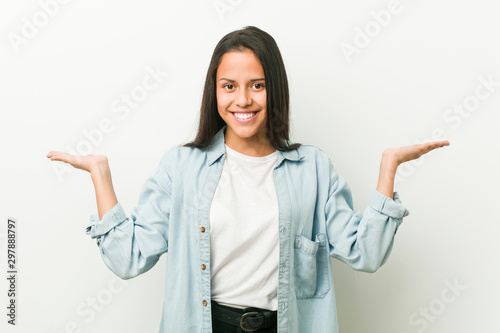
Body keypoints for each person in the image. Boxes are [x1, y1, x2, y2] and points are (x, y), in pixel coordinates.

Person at [46, 26, 450, 333]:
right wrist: (101, 175)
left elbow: (367, 253)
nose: (243, 100)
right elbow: (127, 259)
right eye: (229, 87)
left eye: (257, 85)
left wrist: (387, 170)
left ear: (274, 89)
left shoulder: (313, 167)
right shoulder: (181, 167)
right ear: (215, 92)